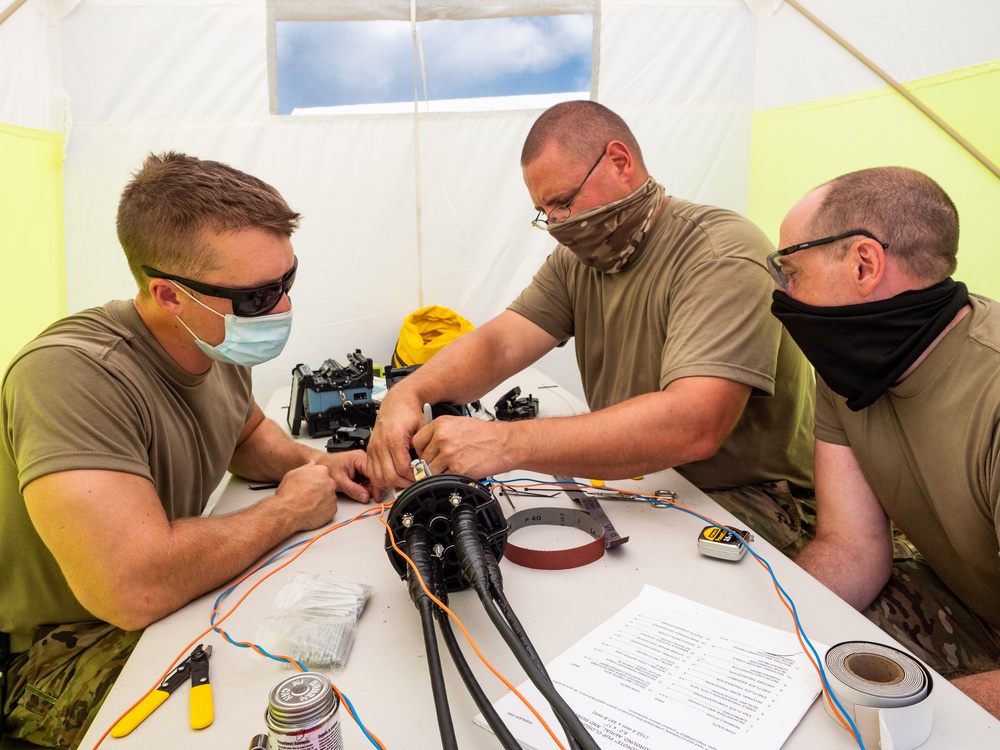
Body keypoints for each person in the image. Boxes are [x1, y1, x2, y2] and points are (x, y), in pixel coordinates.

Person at [0, 152, 372, 747]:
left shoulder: (213, 344)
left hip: (159, 596)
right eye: (255, 298)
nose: (282, 309)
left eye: (287, 281)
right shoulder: (71, 375)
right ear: (169, 295)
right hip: (66, 646)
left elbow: (245, 436)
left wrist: (317, 464)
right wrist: (286, 511)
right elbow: (133, 588)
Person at [368, 101, 815, 525]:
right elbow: (500, 343)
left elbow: (693, 425)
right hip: (647, 483)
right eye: (545, 213)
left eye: (564, 201)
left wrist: (504, 443)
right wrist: (408, 393)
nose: (559, 224)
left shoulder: (722, 254)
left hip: (747, 500)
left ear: (620, 162)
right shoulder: (582, 260)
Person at [768, 165, 1000, 718]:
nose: (782, 292)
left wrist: (911, 717)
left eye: (791, 270)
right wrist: (766, 633)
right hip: (971, 610)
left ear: (864, 264)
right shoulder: (848, 372)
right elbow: (852, 547)